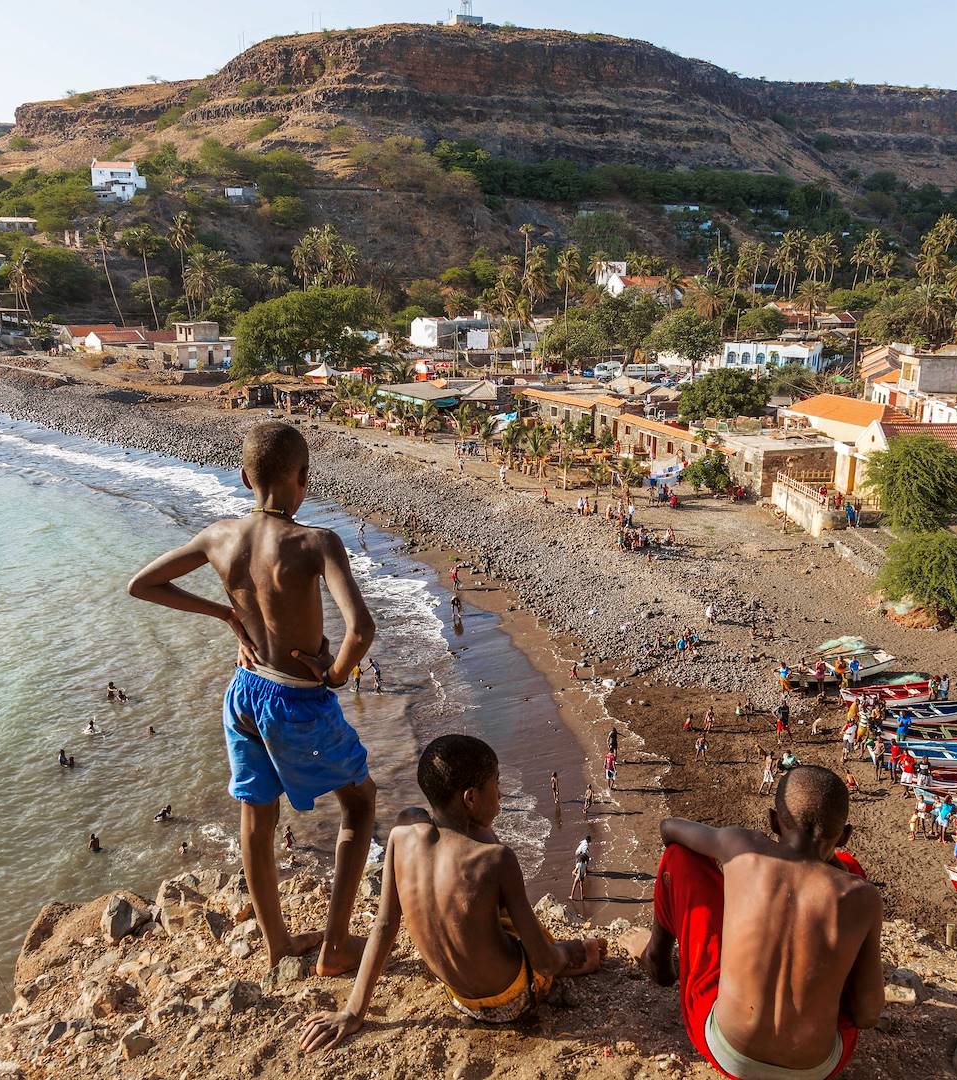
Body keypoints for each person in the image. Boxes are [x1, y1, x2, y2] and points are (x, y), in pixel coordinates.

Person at [127, 421, 377, 976]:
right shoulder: (317, 542)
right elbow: (361, 628)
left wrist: (223, 612)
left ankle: (278, 944)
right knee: (359, 803)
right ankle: (335, 946)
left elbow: (141, 585)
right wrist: (335, 674)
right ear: (304, 479)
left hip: (244, 693)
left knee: (256, 817)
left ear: (244, 478)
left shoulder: (219, 537)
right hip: (297, 699)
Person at [300, 736, 604, 1049]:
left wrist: (353, 1012)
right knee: (549, 942)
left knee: (430, 827)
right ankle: (577, 953)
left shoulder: (401, 835)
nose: (500, 795)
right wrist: (566, 954)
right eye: (495, 785)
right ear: (470, 798)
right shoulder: (496, 859)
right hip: (510, 998)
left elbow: (384, 925)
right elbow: (544, 962)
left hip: (457, 997)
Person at [635, 767, 882, 1080]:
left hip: (729, 1053)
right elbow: (866, 1014)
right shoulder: (863, 897)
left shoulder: (744, 847)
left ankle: (657, 956)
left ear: (773, 821)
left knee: (678, 857)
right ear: (844, 836)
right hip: (815, 1069)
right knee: (850, 870)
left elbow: (668, 828)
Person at [571, 834, 593, 901]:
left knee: (574, 885)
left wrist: (573, 873)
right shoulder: (584, 864)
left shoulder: (584, 841)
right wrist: (587, 857)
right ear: (588, 840)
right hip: (580, 854)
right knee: (581, 885)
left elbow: (574, 871)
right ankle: (581, 896)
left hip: (578, 875)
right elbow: (583, 852)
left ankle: (572, 896)